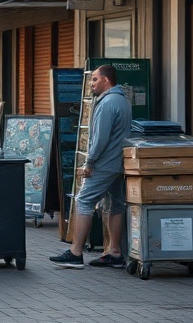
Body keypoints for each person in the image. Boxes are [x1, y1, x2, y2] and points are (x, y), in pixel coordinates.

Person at [49, 64, 132, 269]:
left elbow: (99, 139)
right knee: (116, 204)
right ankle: (114, 252)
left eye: (94, 79)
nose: (91, 84)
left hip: (103, 165)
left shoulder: (106, 104)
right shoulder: (122, 101)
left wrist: (89, 162)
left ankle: (76, 253)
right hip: (118, 164)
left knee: (83, 201)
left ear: (106, 80)